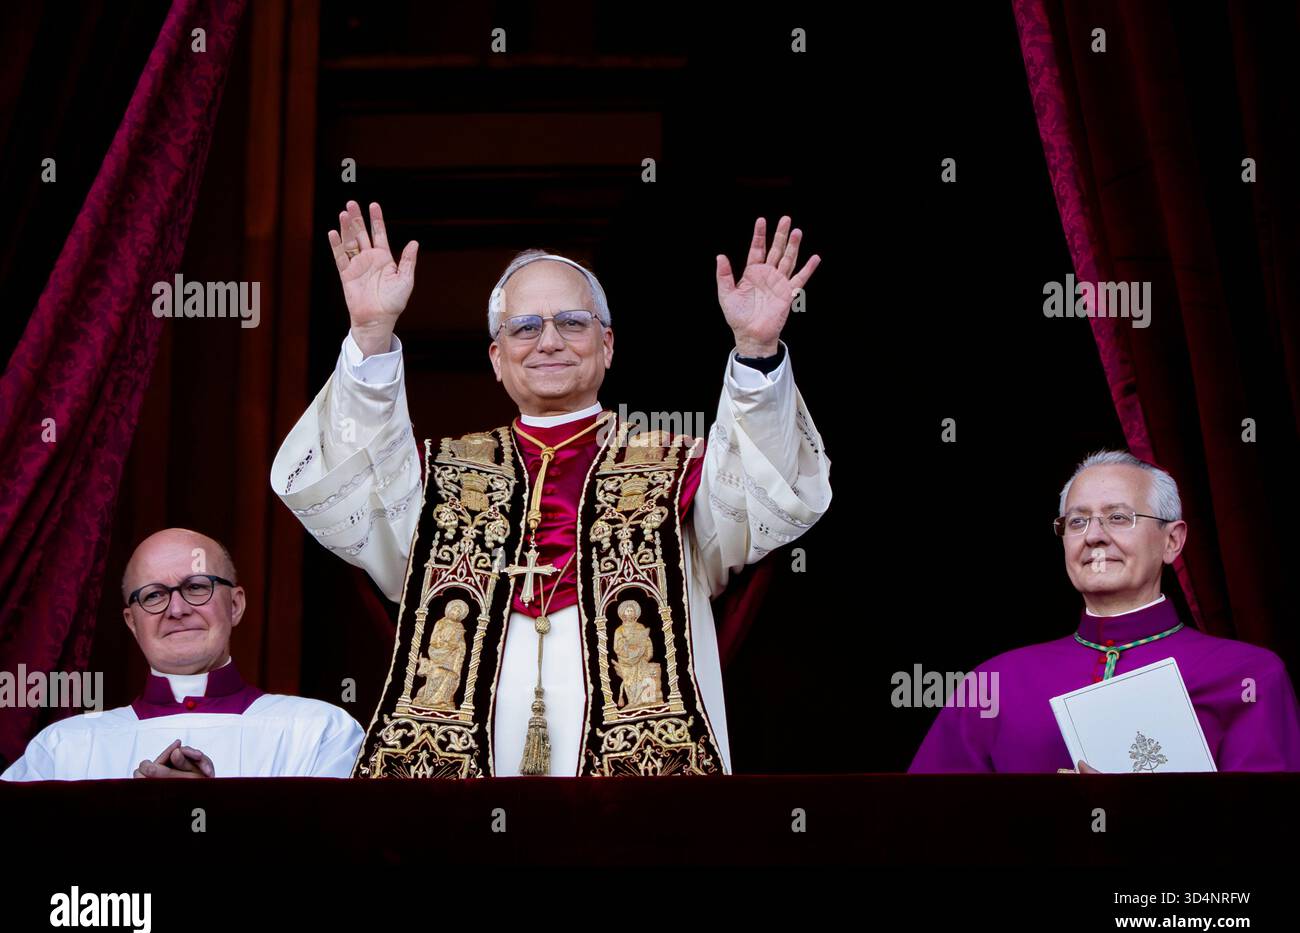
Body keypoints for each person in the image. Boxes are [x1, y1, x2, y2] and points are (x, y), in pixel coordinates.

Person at [270, 201, 832, 777]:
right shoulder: (439, 476)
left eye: (572, 322)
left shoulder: (675, 470)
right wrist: (369, 337)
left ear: (608, 345)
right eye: (525, 327)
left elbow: (759, 498)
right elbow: (359, 502)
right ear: (496, 357)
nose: (549, 341)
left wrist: (757, 354)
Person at [909, 450, 1300, 773]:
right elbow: (924, 825)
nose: (1094, 536)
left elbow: (1270, 835)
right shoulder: (994, 682)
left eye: (1118, 517)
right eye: (1077, 521)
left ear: (1172, 541)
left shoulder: (1250, 675)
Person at [1, 529, 364, 780]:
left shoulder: (319, 732)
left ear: (235, 605)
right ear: (131, 622)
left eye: (196, 587)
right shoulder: (63, 748)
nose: (176, 609)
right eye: (154, 595)